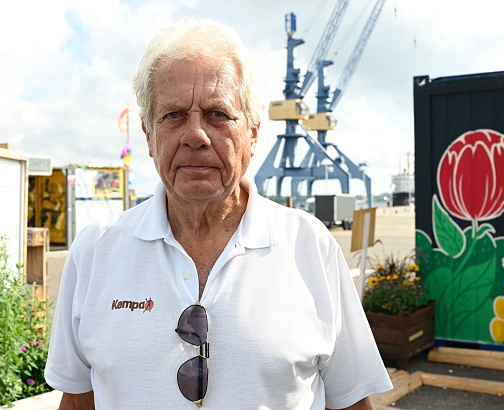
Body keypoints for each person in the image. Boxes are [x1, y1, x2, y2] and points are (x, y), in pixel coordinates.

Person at [44, 17, 392, 409]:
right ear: (148, 135)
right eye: (174, 115)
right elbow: (76, 401)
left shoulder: (310, 249)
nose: (196, 135)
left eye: (217, 114)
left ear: (254, 133)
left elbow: (351, 402)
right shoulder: (95, 253)